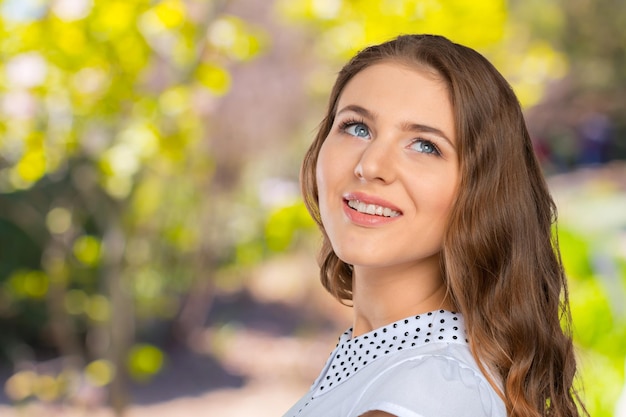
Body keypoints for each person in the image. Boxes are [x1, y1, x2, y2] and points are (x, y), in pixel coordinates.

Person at [282, 34, 587, 417]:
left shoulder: (422, 390)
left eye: (425, 145)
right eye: (357, 127)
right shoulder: (401, 362)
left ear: (481, 190)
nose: (371, 166)